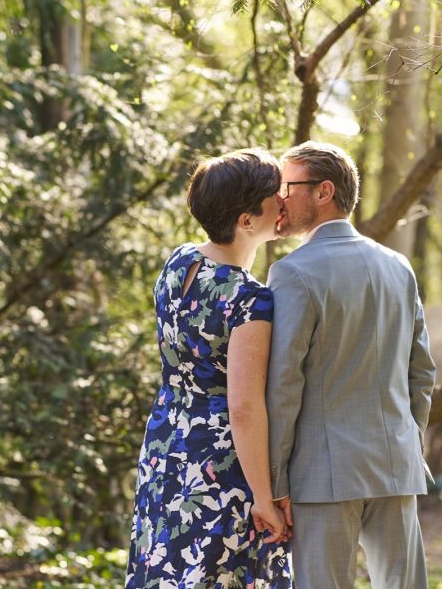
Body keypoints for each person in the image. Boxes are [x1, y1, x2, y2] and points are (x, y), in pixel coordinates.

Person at [266, 141, 437, 589]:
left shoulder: (293, 272)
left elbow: (284, 383)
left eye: (287, 185)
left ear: (323, 192)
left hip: (322, 476)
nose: (278, 197)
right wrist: (408, 444)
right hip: (396, 466)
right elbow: (422, 372)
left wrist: (276, 481)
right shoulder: (398, 267)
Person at [126, 148, 292, 588]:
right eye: (277, 195)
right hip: (218, 464)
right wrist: (263, 497)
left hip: (166, 444)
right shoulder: (249, 300)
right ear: (246, 220)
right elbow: (243, 406)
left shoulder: (179, 263)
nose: (286, 202)